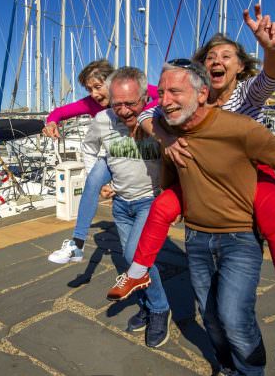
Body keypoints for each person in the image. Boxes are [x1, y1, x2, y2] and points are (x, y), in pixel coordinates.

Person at [111, 5, 275, 372]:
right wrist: (166, 138)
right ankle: (138, 272)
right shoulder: (186, 103)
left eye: (227, 56)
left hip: (251, 178)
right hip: (203, 186)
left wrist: (271, 48)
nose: (217, 60)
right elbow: (144, 115)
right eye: (210, 56)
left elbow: (272, 75)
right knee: (163, 210)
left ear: (239, 67)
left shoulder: (246, 97)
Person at [44, 60, 186, 264]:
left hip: (140, 156)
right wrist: (52, 121)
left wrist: (143, 117)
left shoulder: (135, 93)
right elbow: (61, 112)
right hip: (116, 153)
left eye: (97, 87)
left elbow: (164, 96)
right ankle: (78, 242)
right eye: (89, 89)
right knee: (92, 181)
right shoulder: (92, 105)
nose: (93, 94)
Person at [83, 66, 172, 348]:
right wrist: (97, 182)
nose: (123, 111)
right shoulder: (102, 120)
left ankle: (159, 308)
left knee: (137, 256)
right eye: (117, 103)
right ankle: (146, 305)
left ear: (145, 97)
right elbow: (87, 148)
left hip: (150, 201)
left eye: (130, 104)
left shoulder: (158, 120)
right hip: (121, 205)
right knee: (134, 260)